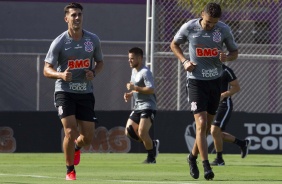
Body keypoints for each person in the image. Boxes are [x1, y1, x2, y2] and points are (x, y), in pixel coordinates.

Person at [170, 2, 238, 180]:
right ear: (202, 15)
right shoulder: (189, 27)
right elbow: (174, 44)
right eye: (207, 22)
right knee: (200, 124)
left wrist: (227, 57)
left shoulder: (223, 30)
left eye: (213, 24)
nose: (210, 26)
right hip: (196, 83)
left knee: (206, 128)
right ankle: (206, 165)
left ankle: (192, 158)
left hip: (215, 83)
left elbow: (235, 52)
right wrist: (185, 61)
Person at [43, 2, 104, 181]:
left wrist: (93, 72)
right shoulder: (59, 42)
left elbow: (100, 63)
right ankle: (70, 170)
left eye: (79, 14)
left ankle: (77, 147)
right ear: (66, 18)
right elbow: (46, 69)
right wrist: (61, 75)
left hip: (85, 92)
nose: (77, 18)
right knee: (70, 131)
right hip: (65, 91)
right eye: (73, 15)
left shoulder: (92, 40)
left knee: (87, 138)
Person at [124, 47, 160, 164]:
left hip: (148, 106)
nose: (129, 61)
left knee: (142, 132)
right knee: (129, 131)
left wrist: (135, 88)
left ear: (140, 58)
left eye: (132, 59)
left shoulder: (145, 72)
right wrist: (130, 94)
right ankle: (152, 144)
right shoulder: (134, 71)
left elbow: (151, 89)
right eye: (129, 58)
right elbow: (136, 89)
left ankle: (151, 158)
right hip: (138, 106)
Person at [210, 64, 250, 166]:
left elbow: (236, 87)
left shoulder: (226, 70)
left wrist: (224, 95)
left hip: (224, 105)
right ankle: (242, 143)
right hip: (211, 104)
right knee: (217, 134)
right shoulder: (206, 69)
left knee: (214, 131)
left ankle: (219, 159)